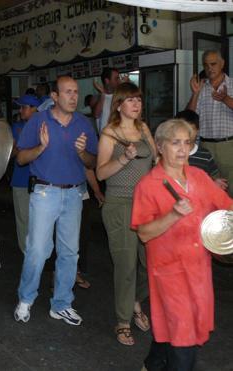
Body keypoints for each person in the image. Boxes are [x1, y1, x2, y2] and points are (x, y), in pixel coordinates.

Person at [131, 119, 233, 370]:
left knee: (174, 326)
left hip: (199, 269)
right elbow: (143, 233)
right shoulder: (149, 185)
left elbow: (227, 207)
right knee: (183, 334)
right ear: (160, 146)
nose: (182, 149)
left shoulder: (199, 177)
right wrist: (173, 215)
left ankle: (153, 364)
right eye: (175, 142)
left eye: (187, 142)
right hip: (169, 272)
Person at [13, 75, 97, 326]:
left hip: (74, 193)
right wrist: (40, 147)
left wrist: (83, 152)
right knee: (38, 250)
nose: (73, 97)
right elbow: (20, 159)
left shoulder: (83, 123)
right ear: (55, 97)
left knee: (70, 253)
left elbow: (92, 162)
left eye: (75, 92)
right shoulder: (39, 120)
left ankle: (61, 304)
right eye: (67, 92)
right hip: (45, 192)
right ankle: (26, 299)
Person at [96, 82, 156, 346]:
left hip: (147, 204)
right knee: (126, 264)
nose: (136, 104)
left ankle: (134, 299)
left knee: (151, 263)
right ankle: (122, 321)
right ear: (119, 104)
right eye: (130, 100)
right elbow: (100, 173)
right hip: (119, 203)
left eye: (139, 99)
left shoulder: (143, 128)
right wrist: (123, 159)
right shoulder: (110, 133)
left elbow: (156, 161)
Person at [187, 50, 233, 195]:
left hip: (228, 145)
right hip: (205, 145)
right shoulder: (201, 87)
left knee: (230, 188)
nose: (209, 68)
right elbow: (189, 117)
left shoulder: (232, 85)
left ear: (222, 64)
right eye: (206, 65)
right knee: (208, 189)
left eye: (213, 64)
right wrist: (195, 94)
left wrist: (225, 99)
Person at [10, 94, 40, 254]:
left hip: (41, 180)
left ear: (34, 108)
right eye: (20, 107)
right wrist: (19, 150)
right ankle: (27, 253)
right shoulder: (16, 127)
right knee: (23, 220)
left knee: (40, 220)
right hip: (21, 180)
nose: (20, 110)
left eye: (23, 107)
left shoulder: (45, 126)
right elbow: (11, 152)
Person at [175, 109, 227, 190]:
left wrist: (215, 183)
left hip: (200, 199)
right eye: (183, 129)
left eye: (191, 129)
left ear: (197, 131)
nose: (187, 133)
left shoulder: (205, 155)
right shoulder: (171, 154)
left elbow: (214, 178)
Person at [93, 67, 122, 133]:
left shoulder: (120, 96)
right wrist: (103, 94)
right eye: (116, 78)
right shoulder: (96, 98)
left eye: (118, 78)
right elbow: (96, 115)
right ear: (107, 81)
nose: (119, 81)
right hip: (105, 140)